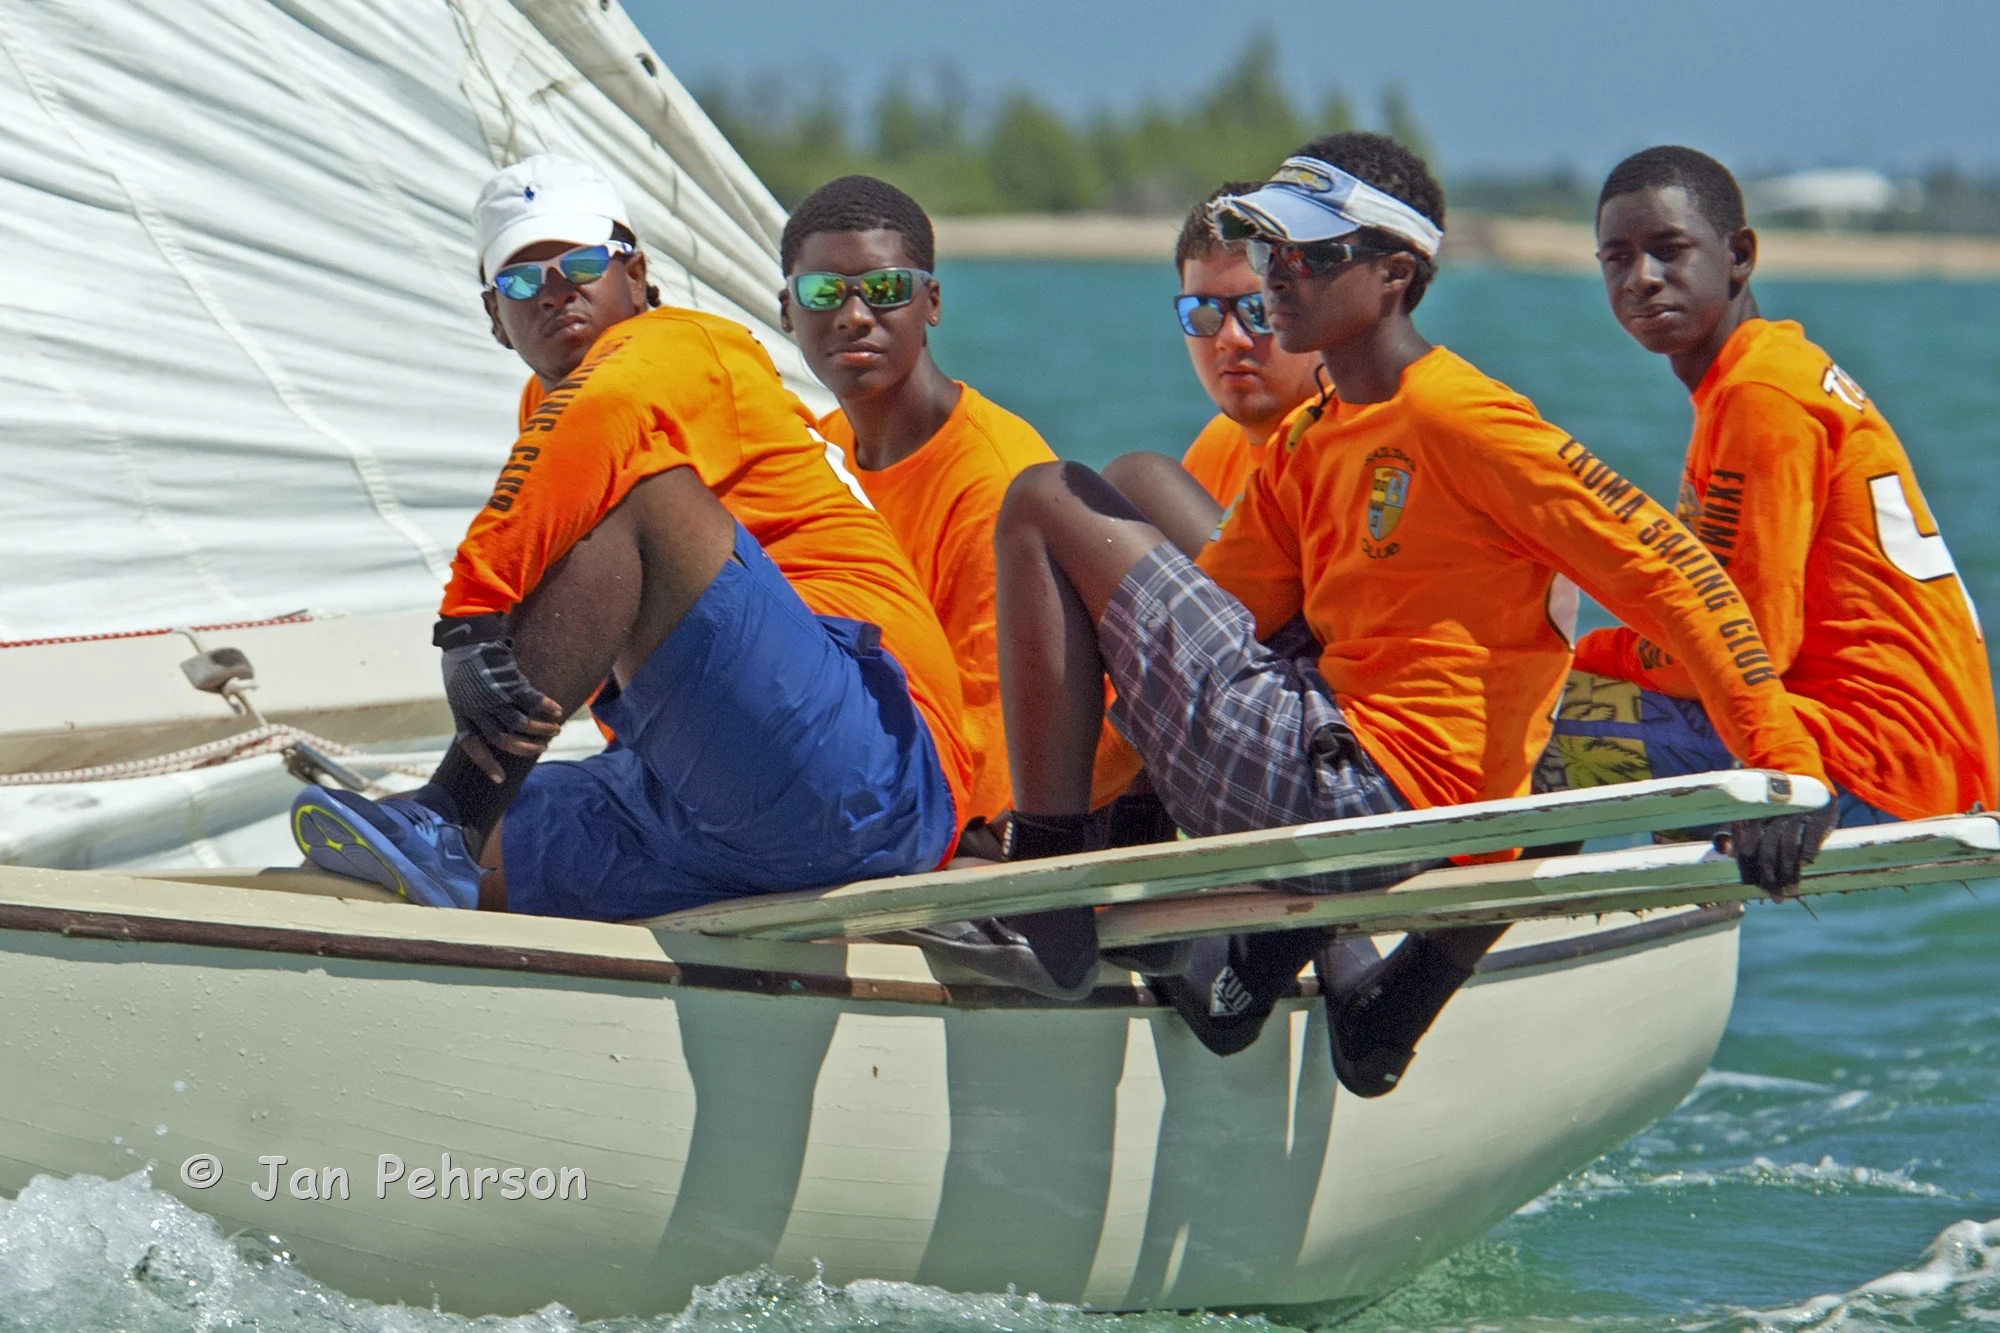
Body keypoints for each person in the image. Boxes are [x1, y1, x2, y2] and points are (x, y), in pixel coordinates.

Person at [989, 132, 1835, 1098]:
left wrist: (1786, 768)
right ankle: (1204, 939)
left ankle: (1047, 875)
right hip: (1351, 778)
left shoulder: (1465, 418)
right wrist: (1100, 782)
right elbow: (1224, 620)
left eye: (1310, 257)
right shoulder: (1317, 437)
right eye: (1271, 253)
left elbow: (1675, 571)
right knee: (1151, 537)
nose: (1277, 279)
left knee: (1048, 495)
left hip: (1376, 798)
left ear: (1395, 274)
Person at [287, 154, 973, 921]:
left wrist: (470, 623)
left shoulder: (688, 346)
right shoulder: (551, 411)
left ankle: (451, 813)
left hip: (874, 770)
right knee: (379, 868)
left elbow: (602, 416)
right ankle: (433, 841)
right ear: (493, 317)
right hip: (706, 796)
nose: (556, 291)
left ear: (637, 275)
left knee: (643, 494)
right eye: (521, 281)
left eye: (581, 263)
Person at [1546, 146, 1997, 825]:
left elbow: (1744, 641)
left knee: (1511, 718)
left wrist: (1578, 653)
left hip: (1867, 761)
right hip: (1905, 752)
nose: (1642, 278)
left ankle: (1431, 934)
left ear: (1740, 256)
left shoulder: (1761, 395)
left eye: (1669, 250)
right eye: (1618, 258)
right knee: (1548, 698)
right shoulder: (1757, 374)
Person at [1173, 182, 1327, 515]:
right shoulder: (1218, 446)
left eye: (1260, 310)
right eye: (1202, 312)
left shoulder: (1361, 443)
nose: (1230, 338)